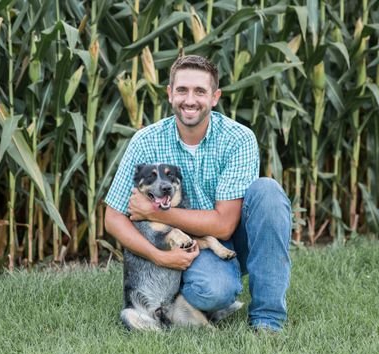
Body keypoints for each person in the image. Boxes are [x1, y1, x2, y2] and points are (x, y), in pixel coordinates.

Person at [104, 55, 292, 332]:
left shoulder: (238, 138)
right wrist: (160, 257)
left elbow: (225, 226)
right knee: (213, 290)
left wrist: (155, 211)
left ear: (215, 97)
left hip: (232, 236)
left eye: (199, 91)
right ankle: (193, 300)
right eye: (182, 90)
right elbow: (113, 217)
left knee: (268, 191)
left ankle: (268, 321)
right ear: (169, 94)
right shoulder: (146, 141)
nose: (189, 100)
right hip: (189, 246)